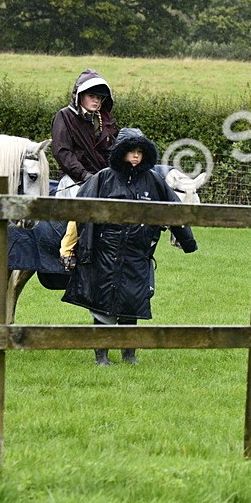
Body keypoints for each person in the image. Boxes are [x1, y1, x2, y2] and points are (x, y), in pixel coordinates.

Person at [60, 128, 197, 365]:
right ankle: (100, 356)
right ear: (121, 152)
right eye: (131, 152)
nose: (136, 157)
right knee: (101, 304)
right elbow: (79, 213)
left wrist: (187, 241)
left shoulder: (154, 180)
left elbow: (174, 209)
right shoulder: (102, 178)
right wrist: (69, 248)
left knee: (132, 304)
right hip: (105, 252)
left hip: (137, 255)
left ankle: (129, 355)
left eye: (140, 152)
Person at [52, 69, 120, 194]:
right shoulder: (65, 116)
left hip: (102, 181)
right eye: (91, 96)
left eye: (99, 97)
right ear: (81, 95)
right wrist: (85, 175)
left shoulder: (105, 120)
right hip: (73, 181)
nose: (96, 100)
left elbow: (111, 152)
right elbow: (63, 152)